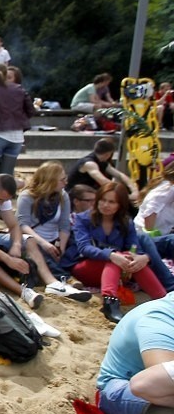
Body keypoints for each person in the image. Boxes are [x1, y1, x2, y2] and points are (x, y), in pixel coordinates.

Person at [0, 174, 91, 309]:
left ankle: (52, 282)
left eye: (4, 200)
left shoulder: (1, 196)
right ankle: (21, 291)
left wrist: (16, 245)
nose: (1, 203)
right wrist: (7, 259)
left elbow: (14, 225)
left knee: (27, 240)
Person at [60, 182, 166, 322]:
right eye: (103, 200)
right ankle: (110, 302)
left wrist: (143, 257)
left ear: (120, 205)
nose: (105, 205)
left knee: (132, 260)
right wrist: (111, 255)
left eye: (111, 202)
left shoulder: (126, 222)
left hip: (115, 269)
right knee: (116, 258)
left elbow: (135, 248)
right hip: (82, 265)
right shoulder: (83, 219)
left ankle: (164, 301)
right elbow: (84, 248)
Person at [95, 292, 174, 414]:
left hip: (149, 383)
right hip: (121, 387)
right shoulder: (159, 321)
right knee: (166, 413)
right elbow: (163, 384)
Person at [17, 162, 74, 281]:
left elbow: (64, 225)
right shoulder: (27, 196)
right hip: (34, 239)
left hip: (55, 239)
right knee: (39, 253)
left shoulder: (63, 196)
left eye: (66, 179)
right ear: (50, 181)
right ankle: (64, 277)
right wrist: (44, 243)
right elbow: (23, 224)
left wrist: (61, 248)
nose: (66, 183)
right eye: (62, 180)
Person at [0, 66, 35, 179]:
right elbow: (31, 111)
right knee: (7, 175)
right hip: (17, 136)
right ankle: (6, 196)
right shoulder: (20, 89)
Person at [133, 161, 174, 291]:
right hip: (145, 237)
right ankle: (170, 286)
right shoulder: (167, 189)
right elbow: (149, 213)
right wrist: (152, 231)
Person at [66, 138, 139, 204]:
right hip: (76, 195)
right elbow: (104, 182)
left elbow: (120, 175)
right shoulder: (89, 164)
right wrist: (126, 196)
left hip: (90, 191)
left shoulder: (102, 161)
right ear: (108, 154)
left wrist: (134, 189)